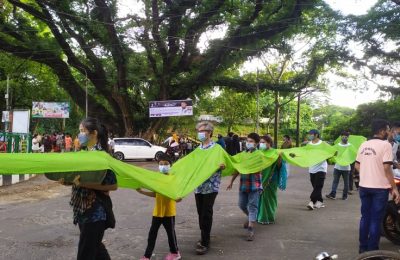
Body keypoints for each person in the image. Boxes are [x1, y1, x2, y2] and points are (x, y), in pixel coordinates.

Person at [63, 118, 118, 260]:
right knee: (96, 249)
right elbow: (79, 179)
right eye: (79, 131)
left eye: (82, 131)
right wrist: (69, 182)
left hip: (95, 213)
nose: (79, 134)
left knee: (85, 254)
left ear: (93, 133)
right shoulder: (83, 153)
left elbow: (113, 185)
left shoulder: (102, 156)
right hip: (82, 210)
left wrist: (84, 184)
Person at [355, 119, 400, 253]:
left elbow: (357, 165)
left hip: (364, 187)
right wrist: (394, 188)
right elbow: (387, 168)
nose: (389, 132)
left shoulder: (364, 144)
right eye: (387, 129)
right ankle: (373, 251)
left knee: (365, 218)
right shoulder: (385, 145)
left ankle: (363, 250)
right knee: (376, 220)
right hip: (379, 188)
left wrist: (367, 173)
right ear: (381, 131)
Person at [137, 155, 182, 260]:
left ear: (170, 165)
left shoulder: (173, 178)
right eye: (161, 164)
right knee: (152, 233)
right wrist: (142, 192)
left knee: (171, 233)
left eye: (166, 164)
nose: (163, 166)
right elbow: (155, 194)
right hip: (157, 212)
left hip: (169, 212)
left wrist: (178, 198)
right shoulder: (156, 177)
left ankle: (175, 253)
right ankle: (147, 256)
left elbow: (178, 194)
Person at [194, 121, 225, 255]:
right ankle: (204, 235)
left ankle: (205, 242)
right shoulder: (197, 149)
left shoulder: (216, 148)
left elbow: (223, 163)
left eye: (202, 131)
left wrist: (222, 166)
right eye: (198, 131)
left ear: (209, 133)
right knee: (200, 212)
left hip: (211, 186)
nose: (200, 134)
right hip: (198, 186)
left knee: (206, 213)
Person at [227, 133, 262, 241]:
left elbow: (264, 166)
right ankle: (251, 217)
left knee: (252, 206)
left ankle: (251, 228)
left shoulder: (260, 155)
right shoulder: (242, 155)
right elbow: (238, 169)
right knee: (242, 205)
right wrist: (231, 181)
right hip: (243, 185)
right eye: (248, 141)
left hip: (255, 185)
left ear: (256, 144)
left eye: (251, 141)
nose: (248, 143)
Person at [257, 135, 287, 225]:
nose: (261, 144)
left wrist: (280, 158)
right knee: (260, 198)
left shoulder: (275, 152)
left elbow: (279, 166)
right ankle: (259, 215)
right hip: (260, 179)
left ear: (269, 143)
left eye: (263, 142)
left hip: (271, 179)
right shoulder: (258, 153)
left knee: (269, 198)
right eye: (260, 142)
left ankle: (268, 217)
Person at [326, 131, 352, 200]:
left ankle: (344, 195)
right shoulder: (337, 145)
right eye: (343, 137)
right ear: (340, 137)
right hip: (337, 167)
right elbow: (332, 153)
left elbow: (354, 155)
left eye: (345, 137)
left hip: (346, 168)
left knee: (346, 183)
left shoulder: (350, 146)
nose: (344, 138)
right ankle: (333, 194)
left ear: (348, 138)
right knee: (335, 181)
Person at [307, 129, 328, 210]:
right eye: (309, 134)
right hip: (312, 168)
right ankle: (320, 201)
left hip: (321, 168)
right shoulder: (309, 144)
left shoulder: (323, 144)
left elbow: (330, 152)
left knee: (318, 185)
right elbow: (306, 153)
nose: (309, 135)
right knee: (315, 186)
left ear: (316, 135)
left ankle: (312, 201)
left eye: (311, 134)